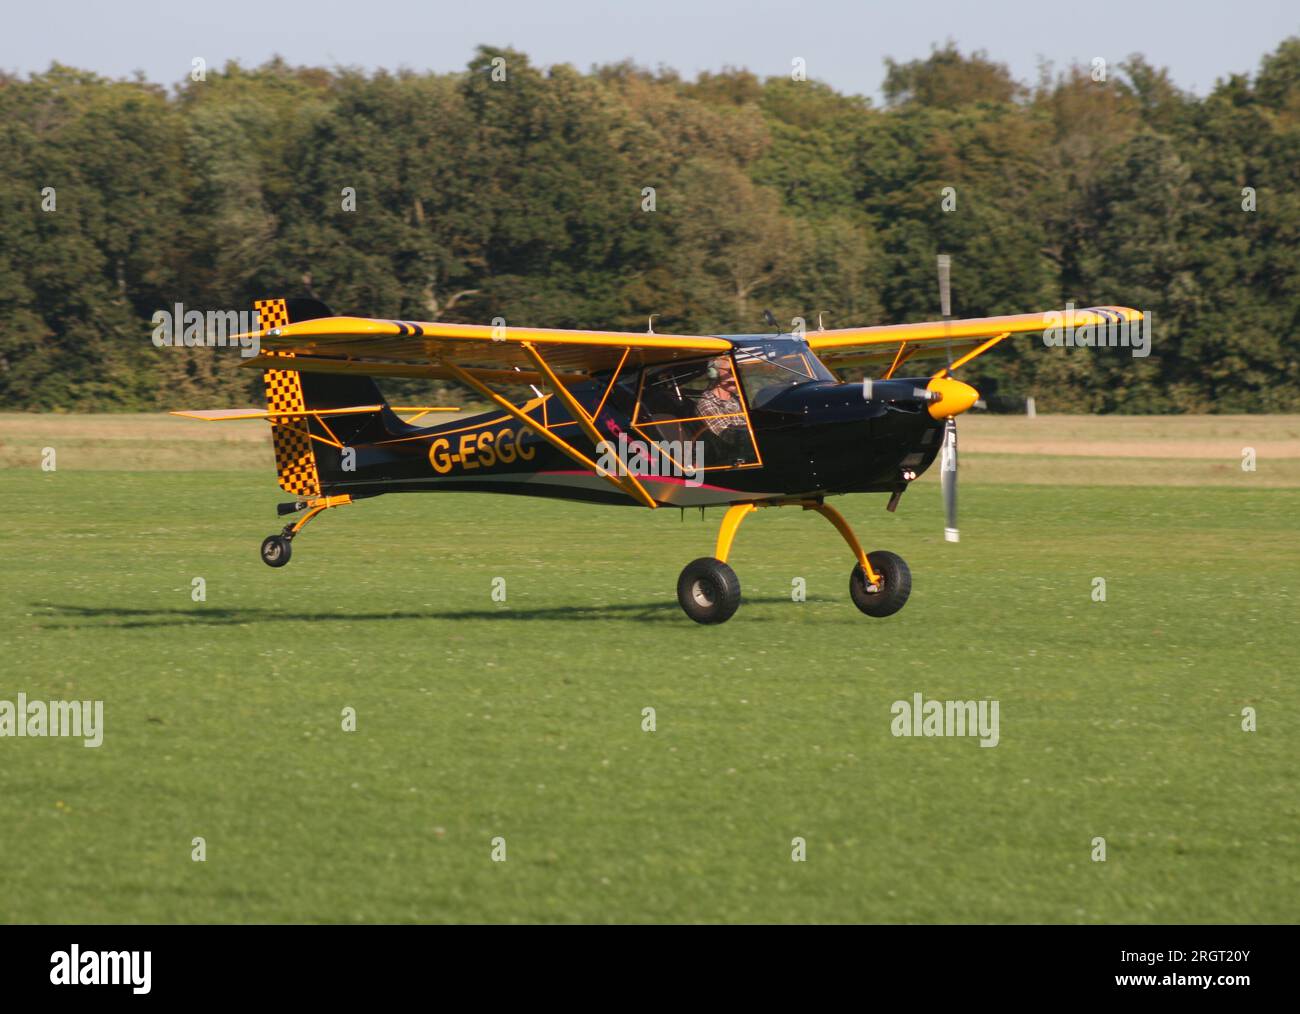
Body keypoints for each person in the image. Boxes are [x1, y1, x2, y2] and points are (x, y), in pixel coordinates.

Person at [695, 358, 749, 463]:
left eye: (738, 371)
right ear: (714, 374)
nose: (736, 376)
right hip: (733, 457)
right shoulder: (706, 403)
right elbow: (729, 436)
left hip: (748, 448)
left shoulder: (737, 397)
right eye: (731, 371)